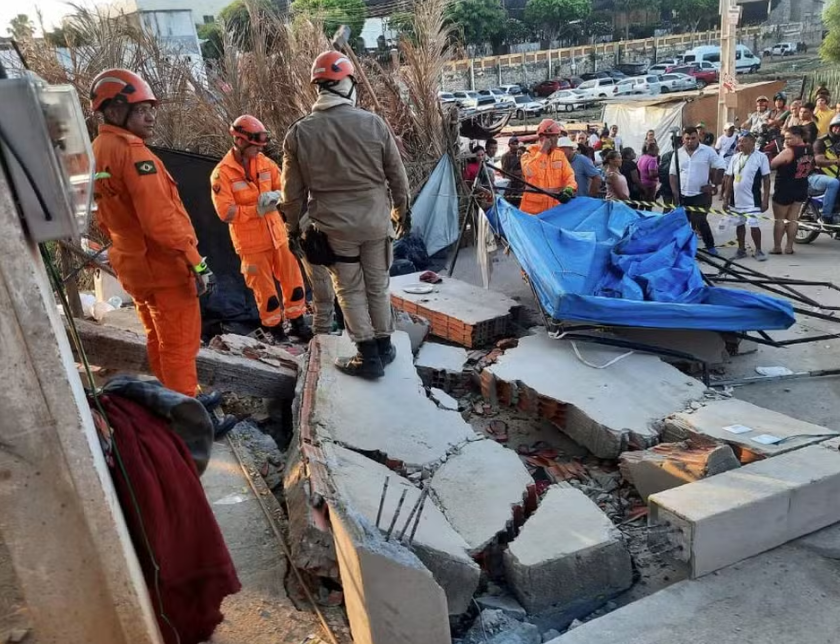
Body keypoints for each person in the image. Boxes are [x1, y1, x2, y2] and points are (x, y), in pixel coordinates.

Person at [278, 51, 409, 378]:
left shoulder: (299, 133)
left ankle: (368, 355)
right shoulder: (373, 123)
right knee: (378, 286)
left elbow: (291, 194)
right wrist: (401, 212)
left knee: (349, 290)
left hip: (335, 230)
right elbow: (398, 176)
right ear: (346, 83)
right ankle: (384, 347)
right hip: (376, 223)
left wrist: (292, 230)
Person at [89, 69, 210, 399]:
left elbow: (104, 216)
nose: (151, 116)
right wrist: (195, 262)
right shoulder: (133, 153)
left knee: (159, 340)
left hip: (135, 267)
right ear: (114, 110)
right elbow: (161, 221)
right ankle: (187, 423)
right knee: (180, 346)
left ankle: (172, 405)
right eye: (141, 109)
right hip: (164, 268)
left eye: (151, 108)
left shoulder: (98, 149)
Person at [210, 115, 312, 343]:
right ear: (239, 141)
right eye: (254, 146)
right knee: (265, 292)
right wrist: (256, 209)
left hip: (278, 235)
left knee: (293, 281)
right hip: (251, 244)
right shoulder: (222, 174)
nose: (258, 150)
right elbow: (225, 212)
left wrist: (277, 196)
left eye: (260, 146)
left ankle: (297, 324)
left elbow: (283, 187)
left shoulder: (266, 163)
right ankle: (274, 330)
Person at [670, 126, 727, 255]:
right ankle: (683, 248)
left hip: (701, 195)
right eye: (687, 138)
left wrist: (713, 185)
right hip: (683, 195)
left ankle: (710, 246)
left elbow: (721, 167)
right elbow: (672, 174)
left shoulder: (708, 151)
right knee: (684, 222)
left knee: (699, 220)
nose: (690, 141)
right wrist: (675, 193)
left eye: (693, 138)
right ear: (683, 139)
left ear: (698, 138)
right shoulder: (677, 153)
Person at [721, 131, 770, 261]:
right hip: (736, 200)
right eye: (739, 141)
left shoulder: (761, 157)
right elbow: (729, 178)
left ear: (753, 143)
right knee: (739, 225)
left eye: (744, 141)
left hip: (752, 200)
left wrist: (765, 200)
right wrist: (726, 199)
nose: (740, 144)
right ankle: (741, 249)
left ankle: (758, 250)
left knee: (754, 225)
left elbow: (766, 179)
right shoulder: (735, 157)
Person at [770, 125, 814, 254]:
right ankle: (789, 247)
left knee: (780, 219)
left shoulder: (789, 151)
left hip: (785, 187)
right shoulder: (809, 148)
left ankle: (777, 247)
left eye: (789, 138)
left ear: (799, 137)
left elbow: (773, 164)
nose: (787, 140)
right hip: (801, 186)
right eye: (785, 138)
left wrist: (784, 149)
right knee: (793, 219)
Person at [519, 119, 577, 214]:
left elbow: (569, 175)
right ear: (544, 137)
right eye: (555, 136)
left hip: (554, 210)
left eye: (557, 136)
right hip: (532, 212)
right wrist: (543, 151)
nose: (557, 139)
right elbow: (529, 172)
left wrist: (570, 188)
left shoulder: (560, 155)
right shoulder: (529, 154)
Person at [810, 114, 840, 223]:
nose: (838, 129)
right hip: (815, 175)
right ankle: (826, 216)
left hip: (835, 176)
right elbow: (819, 160)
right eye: (836, 126)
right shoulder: (821, 141)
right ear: (831, 127)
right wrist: (835, 161)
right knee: (834, 183)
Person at [501, 136, 524, 207]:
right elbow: (504, 171)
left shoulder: (521, 155)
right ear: (509, 145)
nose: (515, 146)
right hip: (511, 184)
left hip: (520, 184)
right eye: (513, 144)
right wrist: (513, 173)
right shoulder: (505, 156)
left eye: (516, 144)